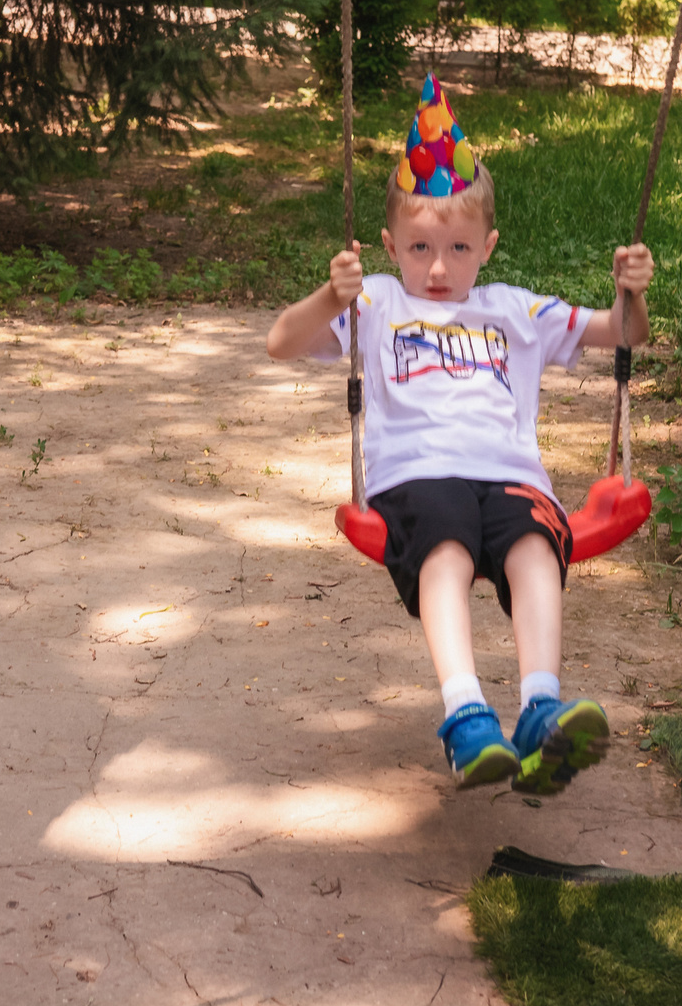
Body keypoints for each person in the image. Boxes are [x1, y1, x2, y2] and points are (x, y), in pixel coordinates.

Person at [266, 78, 654, 794]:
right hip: (416, 474)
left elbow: (622, 333)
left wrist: (631, 292)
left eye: (458, 247)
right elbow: (281, 342)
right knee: (445, 545)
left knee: (536, 543)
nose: (439, 267)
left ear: (488, 246)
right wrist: (331, 295)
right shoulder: (378, 300)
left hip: (510, 474)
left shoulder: (516, 310)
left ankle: (541, 709)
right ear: (391, 245)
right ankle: (466, 714)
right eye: (419, 247)